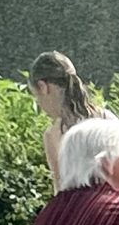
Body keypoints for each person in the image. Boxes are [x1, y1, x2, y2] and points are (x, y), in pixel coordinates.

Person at [29, 50, 105, 191]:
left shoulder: (53, 136)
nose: (39, 104)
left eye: (36, 96)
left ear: (43, 87)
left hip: (81, 205)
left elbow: (61, 191)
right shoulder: (108, 120)